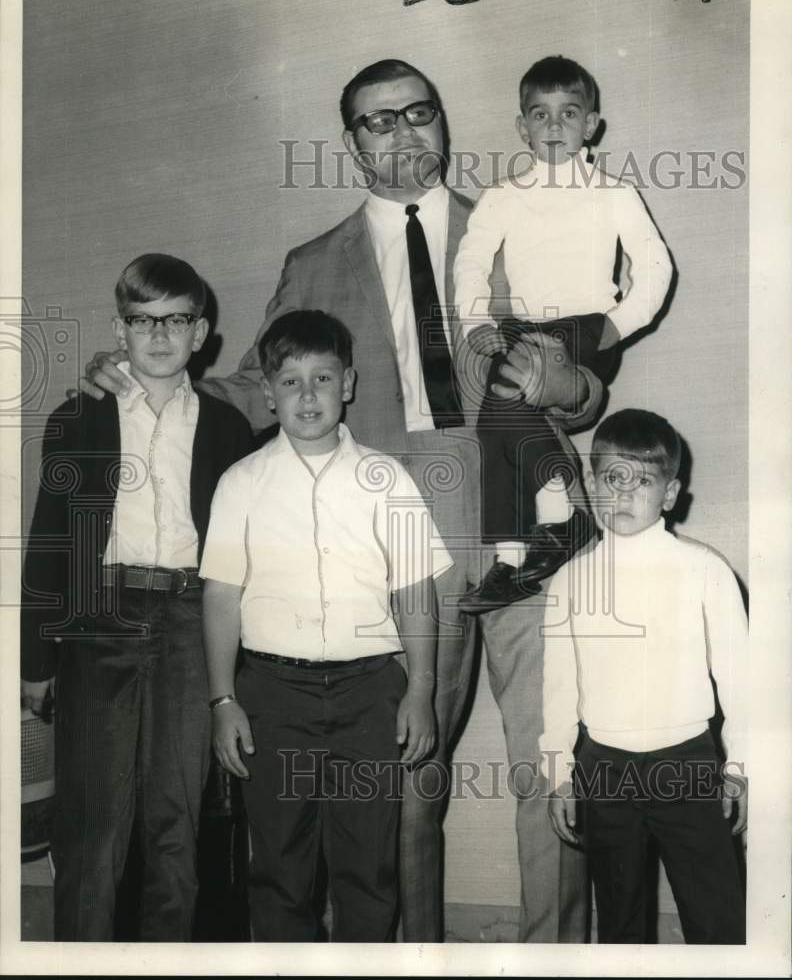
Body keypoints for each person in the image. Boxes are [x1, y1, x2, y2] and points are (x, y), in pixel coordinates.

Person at [80, 59, 603, 943]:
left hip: (528, 522)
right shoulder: (314, 263)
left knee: (554, 768)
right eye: (377, 120)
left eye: (419, 113)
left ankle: (553, 955)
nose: (402, 132)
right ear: (353, 142)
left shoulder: (520, 230)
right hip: (401, 528)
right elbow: (255, 386)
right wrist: (142, 374)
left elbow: (588, 387)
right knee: (407, 781)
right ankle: (413, 954)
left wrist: (567, 380)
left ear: (443, 123)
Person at [21, 253, 254, 941]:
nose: (159, 334)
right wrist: (36, 661)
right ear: (118, 331)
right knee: (93, 828)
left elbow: (241, 557)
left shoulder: (226, 428)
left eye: (176, 319)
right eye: (142, 320)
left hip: (189, 618)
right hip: (101, 619)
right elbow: (51, 541)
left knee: (177, 826)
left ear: (201, 331)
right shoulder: (78, 418)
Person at [200, 309, 451, 942]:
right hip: (272, 697)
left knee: (368, 867)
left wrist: (420, 690)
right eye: (289, 381)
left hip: (370, 694)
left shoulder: (387, 480)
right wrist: (224, 698)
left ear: (349, 384)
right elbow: (222, 597)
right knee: (280, 868)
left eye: (321, 378)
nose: (306, 395)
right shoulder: (242, 483)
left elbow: (417, 590)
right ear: (267, 393)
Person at [455, 56, 673, 613]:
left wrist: (617, 327)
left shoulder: (614, 193)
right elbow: (471, 261)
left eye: (568, 113)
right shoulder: (504, 195)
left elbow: (656, 268)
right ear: (522, 127)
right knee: (494, 424)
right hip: (524, 327)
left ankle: (553, 526)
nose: (554, 127)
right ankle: (515, 554)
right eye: (540, 115)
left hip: (586, 329)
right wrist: (478, 324)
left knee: (506, 393)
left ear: (591, 124)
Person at [539, 408, 747, 943]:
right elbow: (559, 691)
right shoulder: (569, 581)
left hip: (688, 763)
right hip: (603, 768)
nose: (626, 494)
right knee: (619, 918)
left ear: (670, 492)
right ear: (590, 482)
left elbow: (741, 684)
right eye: (613, 478)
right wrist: (559, 772)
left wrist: (743, 767)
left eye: (644, 481)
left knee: (717, 916)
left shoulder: (705, 570)